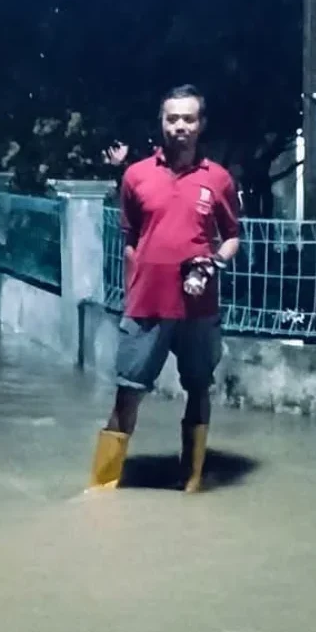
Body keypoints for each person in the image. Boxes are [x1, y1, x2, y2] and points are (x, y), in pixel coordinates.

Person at [88, 84, 241, 494]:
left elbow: (231, 236)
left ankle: (192, 482)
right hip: (147, 306)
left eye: (188, 119)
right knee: (127, 394)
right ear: (162, 122)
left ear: (200, 125)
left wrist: (216, 262)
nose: (180, 126)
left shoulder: (219, 180)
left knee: (198, 389)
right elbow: (131, 242)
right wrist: (129, 296)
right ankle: (102, 487)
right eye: (172, 118)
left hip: (198, 308)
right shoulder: (136, 176)